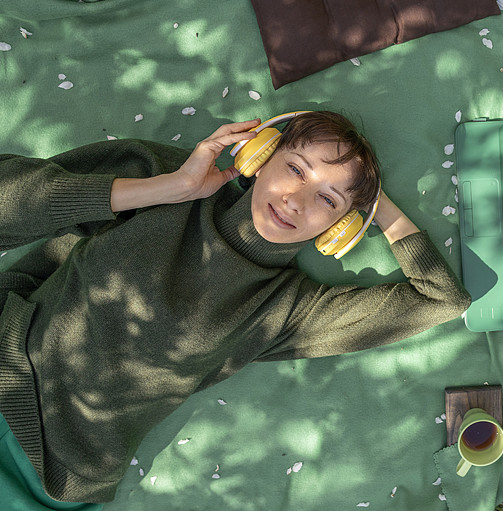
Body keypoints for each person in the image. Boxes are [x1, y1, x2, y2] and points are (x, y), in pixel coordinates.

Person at [0, 111, 471, 506]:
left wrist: (375, 204)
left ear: (339, 230)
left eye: (326, 199)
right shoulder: (162, 174)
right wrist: (169, 188)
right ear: (260, 156)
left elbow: (441, 299)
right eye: (296, 168)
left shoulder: (288, 309)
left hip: (51, 467)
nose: (296, 199)